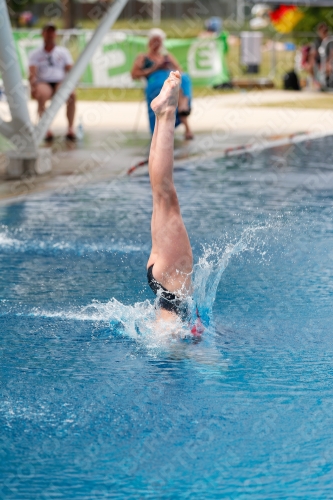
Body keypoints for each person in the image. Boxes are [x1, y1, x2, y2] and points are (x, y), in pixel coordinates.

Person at [146, 70, 202, 335]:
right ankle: (163, 115)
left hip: (172, 281)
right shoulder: (172, 328)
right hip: (167, 286)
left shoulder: (172, 333)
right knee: (161, 196)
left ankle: (166, 115)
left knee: (165, 195)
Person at [131, 28, 194, 140]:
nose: (157, 44)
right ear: (149, 42)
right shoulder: (143, 57)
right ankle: (183, 109)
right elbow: (134, 74)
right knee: (168, 85)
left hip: (169, 79)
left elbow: (179, 70)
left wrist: (168, 67)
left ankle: (183, 103)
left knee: (184, 78)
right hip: (154, 80)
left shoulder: (167, 56)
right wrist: (153, 69)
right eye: (154, 41)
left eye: (159, 41)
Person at [28, 23, 76, 142]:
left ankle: (70, 128)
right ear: (43, 34)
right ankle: (46, 128)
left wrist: (72, 82)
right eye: (47, 32)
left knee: (71, 95)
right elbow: (32, 73)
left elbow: (70, 69)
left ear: (55, 35)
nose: (50, 35)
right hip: (44, 82)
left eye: (52, 32)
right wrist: (33, 86)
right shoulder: (35, 54)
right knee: (41, 94)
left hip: (60, 81)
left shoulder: (63, 52)